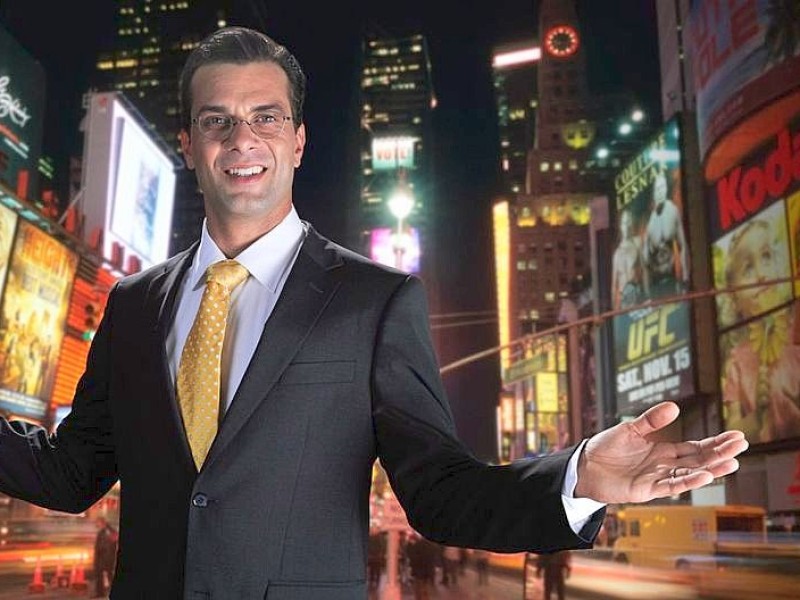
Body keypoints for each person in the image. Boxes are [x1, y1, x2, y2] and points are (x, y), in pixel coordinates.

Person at [0, 26, 748, 598]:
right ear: (191, 145)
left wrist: (580, 477)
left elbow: (439, 492)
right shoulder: (134, 306)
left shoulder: (374, 302)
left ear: (297, 142)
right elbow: (70, 475)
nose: (242, 140)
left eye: (265, 117)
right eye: (218, 121)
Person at [720, 219, 800, 443]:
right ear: (734, 298)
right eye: (748, 268)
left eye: (766, 256)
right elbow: (732, 430)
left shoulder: (796, 330)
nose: (762, 275)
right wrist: (757, 416)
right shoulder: (736, 362)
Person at [643, 170, 689, 299]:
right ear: (653, 193)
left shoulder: (673, 211)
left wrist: (685, 278)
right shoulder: (650, 224)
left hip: (672, 277)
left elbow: (683, 245)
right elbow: (645, 263)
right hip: (656, 283)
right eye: (657, 188)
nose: (660, 191)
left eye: (663, 187)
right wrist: (647, 295)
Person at [611, 207, 649, 310]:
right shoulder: (617, 254)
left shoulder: (637, 243)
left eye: (628, 222)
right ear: (620, 226)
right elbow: (614, 285)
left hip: (637, 297)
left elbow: (644, 270)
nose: (626, 226)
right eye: (624, 223)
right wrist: (615, 309)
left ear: (631, 224)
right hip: (624, 300)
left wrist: (647, 296)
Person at [93, 516, 118, 598]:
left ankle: (100, 593)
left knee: (105, 575)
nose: (96, 524)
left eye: (97, 523)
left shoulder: (108, 531)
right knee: (104, 576)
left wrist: (104, 558)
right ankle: (100, 593)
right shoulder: (105, 531)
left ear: (102, 522)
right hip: (105, 558)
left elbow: (110, 545)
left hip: (105, 558)